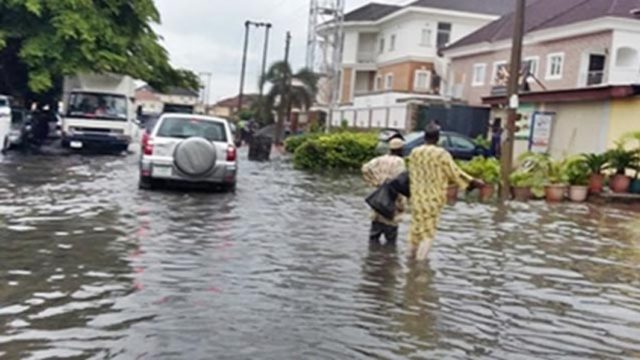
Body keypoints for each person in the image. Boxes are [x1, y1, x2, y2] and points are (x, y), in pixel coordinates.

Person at [408, 122, 484, 260]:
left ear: (425, 136)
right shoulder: (441, 154)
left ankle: (410, 260)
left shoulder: (414, 152)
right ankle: (420, 266)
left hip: (416, 198)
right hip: (432, 199)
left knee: (416, 230)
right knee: (428, 234)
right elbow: (454, 173)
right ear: (438, 138)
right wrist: (472, 182)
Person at [362, 138, 407, 246]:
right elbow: (401, 182)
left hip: (378, 200)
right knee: (391, 240)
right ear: (400, 149)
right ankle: (388, 259)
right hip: (391, 202)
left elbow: (365, 168)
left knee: (373, 237)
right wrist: (402, 205)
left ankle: (373, 259)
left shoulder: (379, 159)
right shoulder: (400, 162)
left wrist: (374, 182)